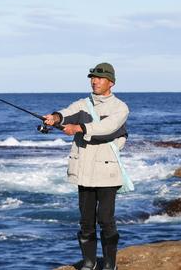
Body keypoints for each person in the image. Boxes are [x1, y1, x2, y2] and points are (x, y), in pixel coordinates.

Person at [43, 62, 129, 270]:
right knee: (86, 221)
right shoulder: (83, 103)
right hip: (84, 170)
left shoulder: (120, 108)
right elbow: (67, 112)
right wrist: (55, 118)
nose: (94, 81)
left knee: (106, 219)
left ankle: (110, 264)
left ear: (111, 83)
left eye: (99, 78)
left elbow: (107, 128)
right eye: (92, 77)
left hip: (107, 172)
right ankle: (89, 262)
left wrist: (79, 127)